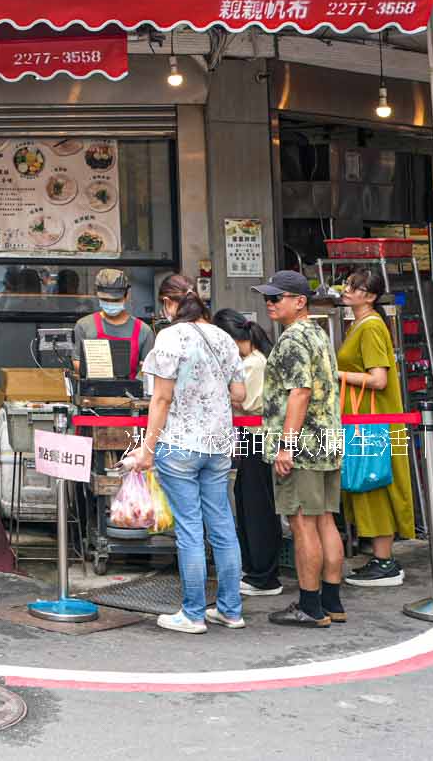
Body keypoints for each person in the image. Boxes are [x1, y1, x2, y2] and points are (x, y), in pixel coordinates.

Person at [123, 275, 248, 633]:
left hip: (179, 444)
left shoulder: (169, 337)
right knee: (223, 525)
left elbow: (160, 398)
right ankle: (230, 610)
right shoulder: (223, 337)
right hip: (220, 444)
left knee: (190, 530)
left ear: (168, 303)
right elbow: (238, 394)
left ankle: (193, 613)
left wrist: (146, 449)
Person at [255, 269, 344, 628]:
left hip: (301, 444)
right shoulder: (318, 334)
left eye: (276, 298)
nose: (269, 304)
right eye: (267, 298)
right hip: (326, 440)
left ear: (299, 301)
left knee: (302, 522)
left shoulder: (292, 340)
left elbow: (300, 392)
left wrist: (285, 446)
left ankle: (310, 605)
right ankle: (331, 602)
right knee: (325, 519)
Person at [336, 269, 414, 588]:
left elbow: (378, 380)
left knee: (373, 482)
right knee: (369, 482)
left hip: (372, 421)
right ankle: (380, 559)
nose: (346, 289)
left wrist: (336, 374)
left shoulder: (369, 326)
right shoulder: (361, 323)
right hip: (368, 419)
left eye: (354, 287)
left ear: (369, 296)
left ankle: (385, 561)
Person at [215, 307, 283, 597]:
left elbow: (248, 404)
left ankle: (264, 576)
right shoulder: (252, 360)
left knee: (258, 507)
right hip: (253, 439)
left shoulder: (253, 364)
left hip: (259, 439)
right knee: (247, 502)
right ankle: (256, 570)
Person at [71, 268, 149, 388]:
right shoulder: (84, 325)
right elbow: (77, 361)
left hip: (131, 399)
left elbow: (149, 370)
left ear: (127, 295)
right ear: (97, 294)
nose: (110, 304)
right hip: (93, 397)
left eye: (116, 300)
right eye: (105, 300)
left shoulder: (144, 331)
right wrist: (98, 373)